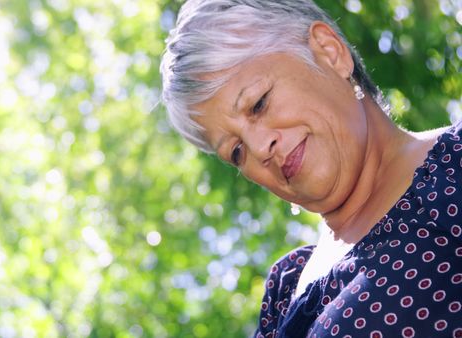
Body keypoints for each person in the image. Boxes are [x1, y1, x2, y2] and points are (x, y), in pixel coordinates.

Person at [160, 0, 462, 337]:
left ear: (330, 53)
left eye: (258, 104)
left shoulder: (455, 164)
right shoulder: (284, 292)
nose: (260, 148)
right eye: (237, 151)